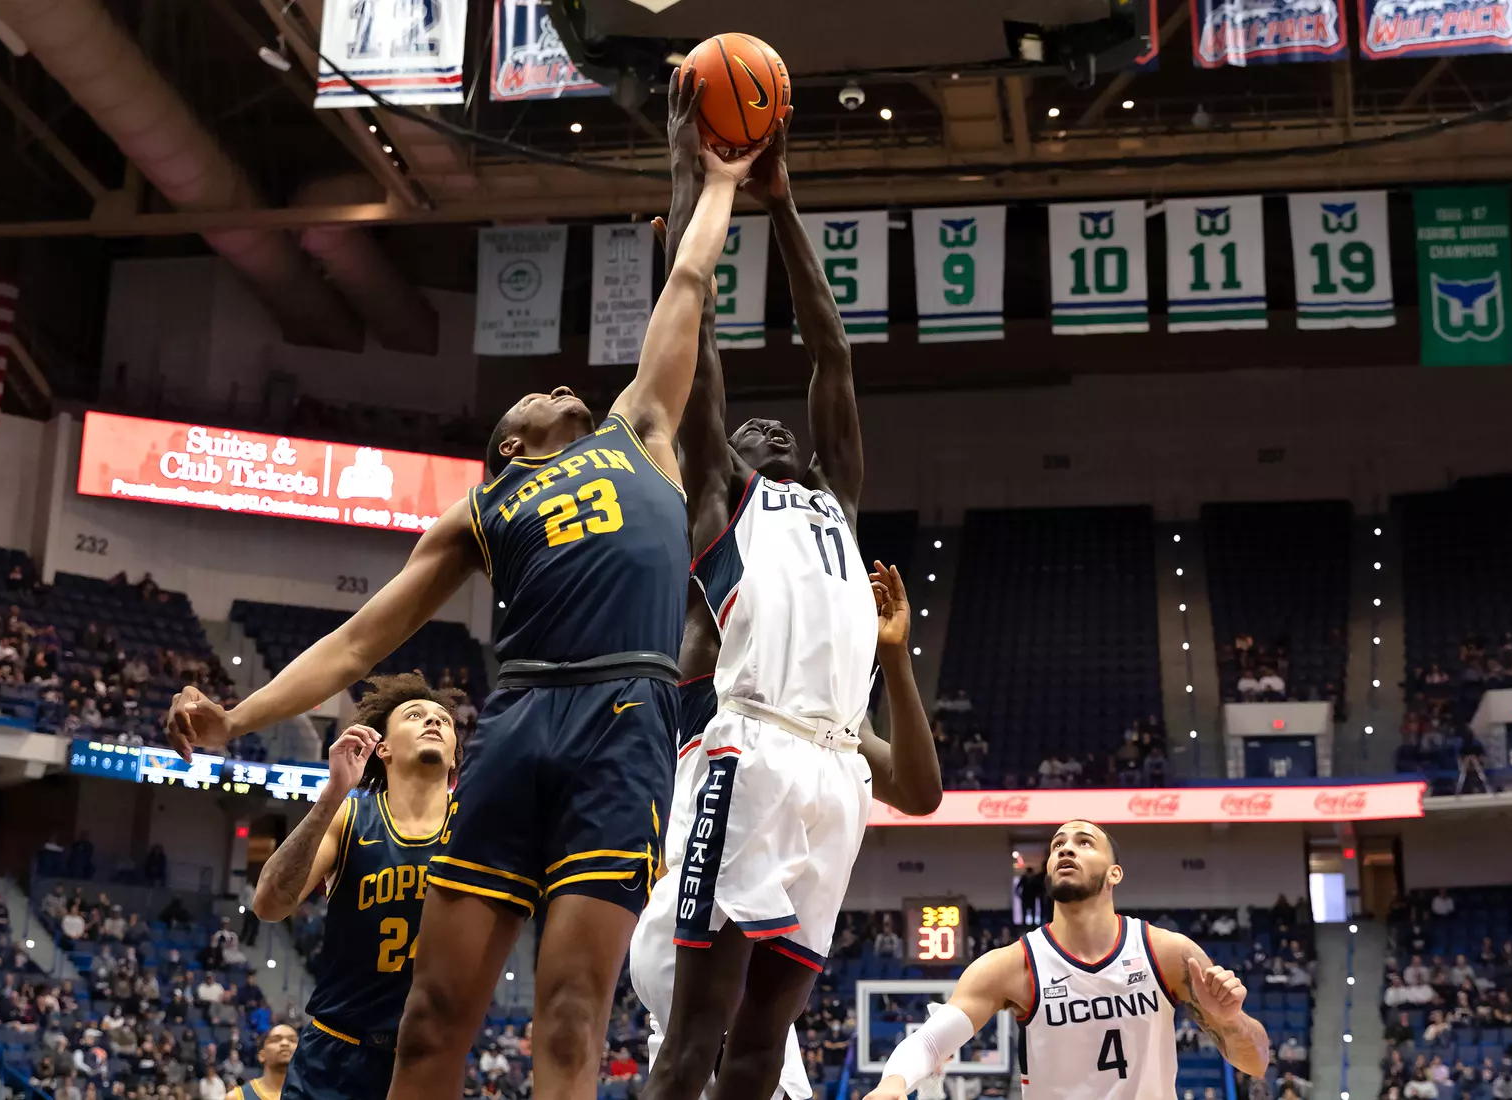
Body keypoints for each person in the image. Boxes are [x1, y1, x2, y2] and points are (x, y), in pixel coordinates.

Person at [165, 70, 767, 1100]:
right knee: (432, 1020)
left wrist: (720, 181)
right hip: (522, 716)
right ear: (507, 445)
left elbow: (687, 290)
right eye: (540, 393)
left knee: (572, 1015)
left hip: (623, 712)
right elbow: (356, 645)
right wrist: (235, 718)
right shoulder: (479, 509)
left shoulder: (645, 431)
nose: (563, 383)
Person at [632, 98, 938, 1100]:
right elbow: (700, 354)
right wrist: (697, 192)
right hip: (750, 749)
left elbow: (833, 357)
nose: (769, 428)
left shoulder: (836, 508)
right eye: (749, 431)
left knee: (764, 1050)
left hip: (836, 771)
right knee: (699, 1031)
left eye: (784, 429)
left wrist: (788, 199)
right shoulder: (722, 498)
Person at [862, 821, 1268, 1100]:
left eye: (1084, 842)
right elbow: (933, 1040)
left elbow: (1256, 1063)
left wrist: (1231, 1021)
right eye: (1057, 844)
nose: (1066, 848)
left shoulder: (1168, 953)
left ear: (1114, 874)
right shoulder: (1011, 966)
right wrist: (893, 1083)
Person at [248, 674, 461, 1100]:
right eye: (415, 715)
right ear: (382, 748)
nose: (433, 722)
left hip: (428, 1055)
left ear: (455, 756)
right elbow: (268, 905)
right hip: (336, 1051)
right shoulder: (350, 816)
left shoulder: (475, 827)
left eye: (444, 720)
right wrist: (332, 793)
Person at [224, 1025, 298, 1100]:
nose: (285, 1043)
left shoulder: (309, 1093)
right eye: (276, 1040)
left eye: (292, 1040)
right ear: (261, 1055)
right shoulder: (237, 1097)